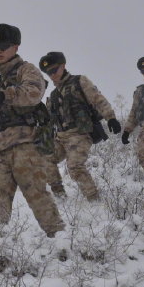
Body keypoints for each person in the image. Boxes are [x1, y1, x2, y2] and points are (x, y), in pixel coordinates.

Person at [0, 24, 65, 238]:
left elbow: (34, 92)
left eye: (4, 46)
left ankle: (59, 240)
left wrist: (5, 95)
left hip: (25, 146)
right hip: (1, 149)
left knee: (37, 195)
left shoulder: (26, 70)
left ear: (16, 47)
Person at [39, 51, 120, 201]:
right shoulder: (54, 95)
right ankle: (60, 196)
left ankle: (94, 199)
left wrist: (110, 118)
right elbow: (49, 120)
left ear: (63, 66)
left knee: (75, 166)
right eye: (48, 73)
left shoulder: (79, 81)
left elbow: (97, 98)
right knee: (45, 159)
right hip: (61, 137)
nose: (52, 75)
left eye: (54, 70)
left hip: (80, 134)